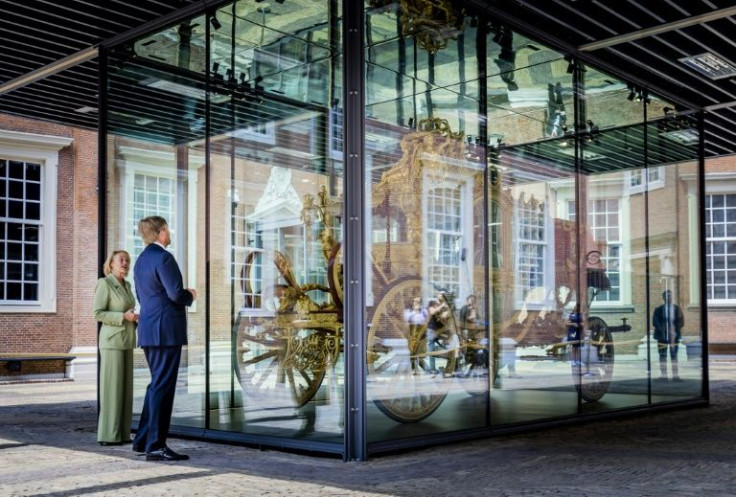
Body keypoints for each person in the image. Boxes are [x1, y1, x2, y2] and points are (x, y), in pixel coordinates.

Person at [132, 216, 197, 461]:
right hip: (166, 332)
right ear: (161, 233)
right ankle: (156, 446)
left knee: (155, 384)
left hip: (149, 331)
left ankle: (142, 441)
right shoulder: (164, 258)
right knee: (163, 386)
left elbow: (141, 296)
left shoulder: (140, 262)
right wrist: (190, 294)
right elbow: (175, 294)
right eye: (167, 229)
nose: (169, 234)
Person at [93, 250, 138, 446]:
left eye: (127, 260)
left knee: (125, 390)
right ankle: (108, 435)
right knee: (112, 390)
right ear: (110, 264)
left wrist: (135, 317)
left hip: (127, 341)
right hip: (111, 343)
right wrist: (122, 317)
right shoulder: (105, 283)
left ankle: (123, 434)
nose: (125, 263)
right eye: (121, 260)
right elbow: (98, 313)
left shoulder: (127, 285)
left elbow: (129, 310)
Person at [652, 290, 684, 382]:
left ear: (672, 298)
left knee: (674, 356)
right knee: (662, 356)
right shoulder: (658, 310)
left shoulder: (676, 309)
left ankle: (675, 376)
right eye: (666, 296)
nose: (668, 298)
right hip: (662, 337)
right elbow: (655, 322)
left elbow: (681, 321)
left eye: (670, 296)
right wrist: (662, 331)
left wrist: (675, 330)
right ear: (663, 298)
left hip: (674, 336)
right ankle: (664, 376)